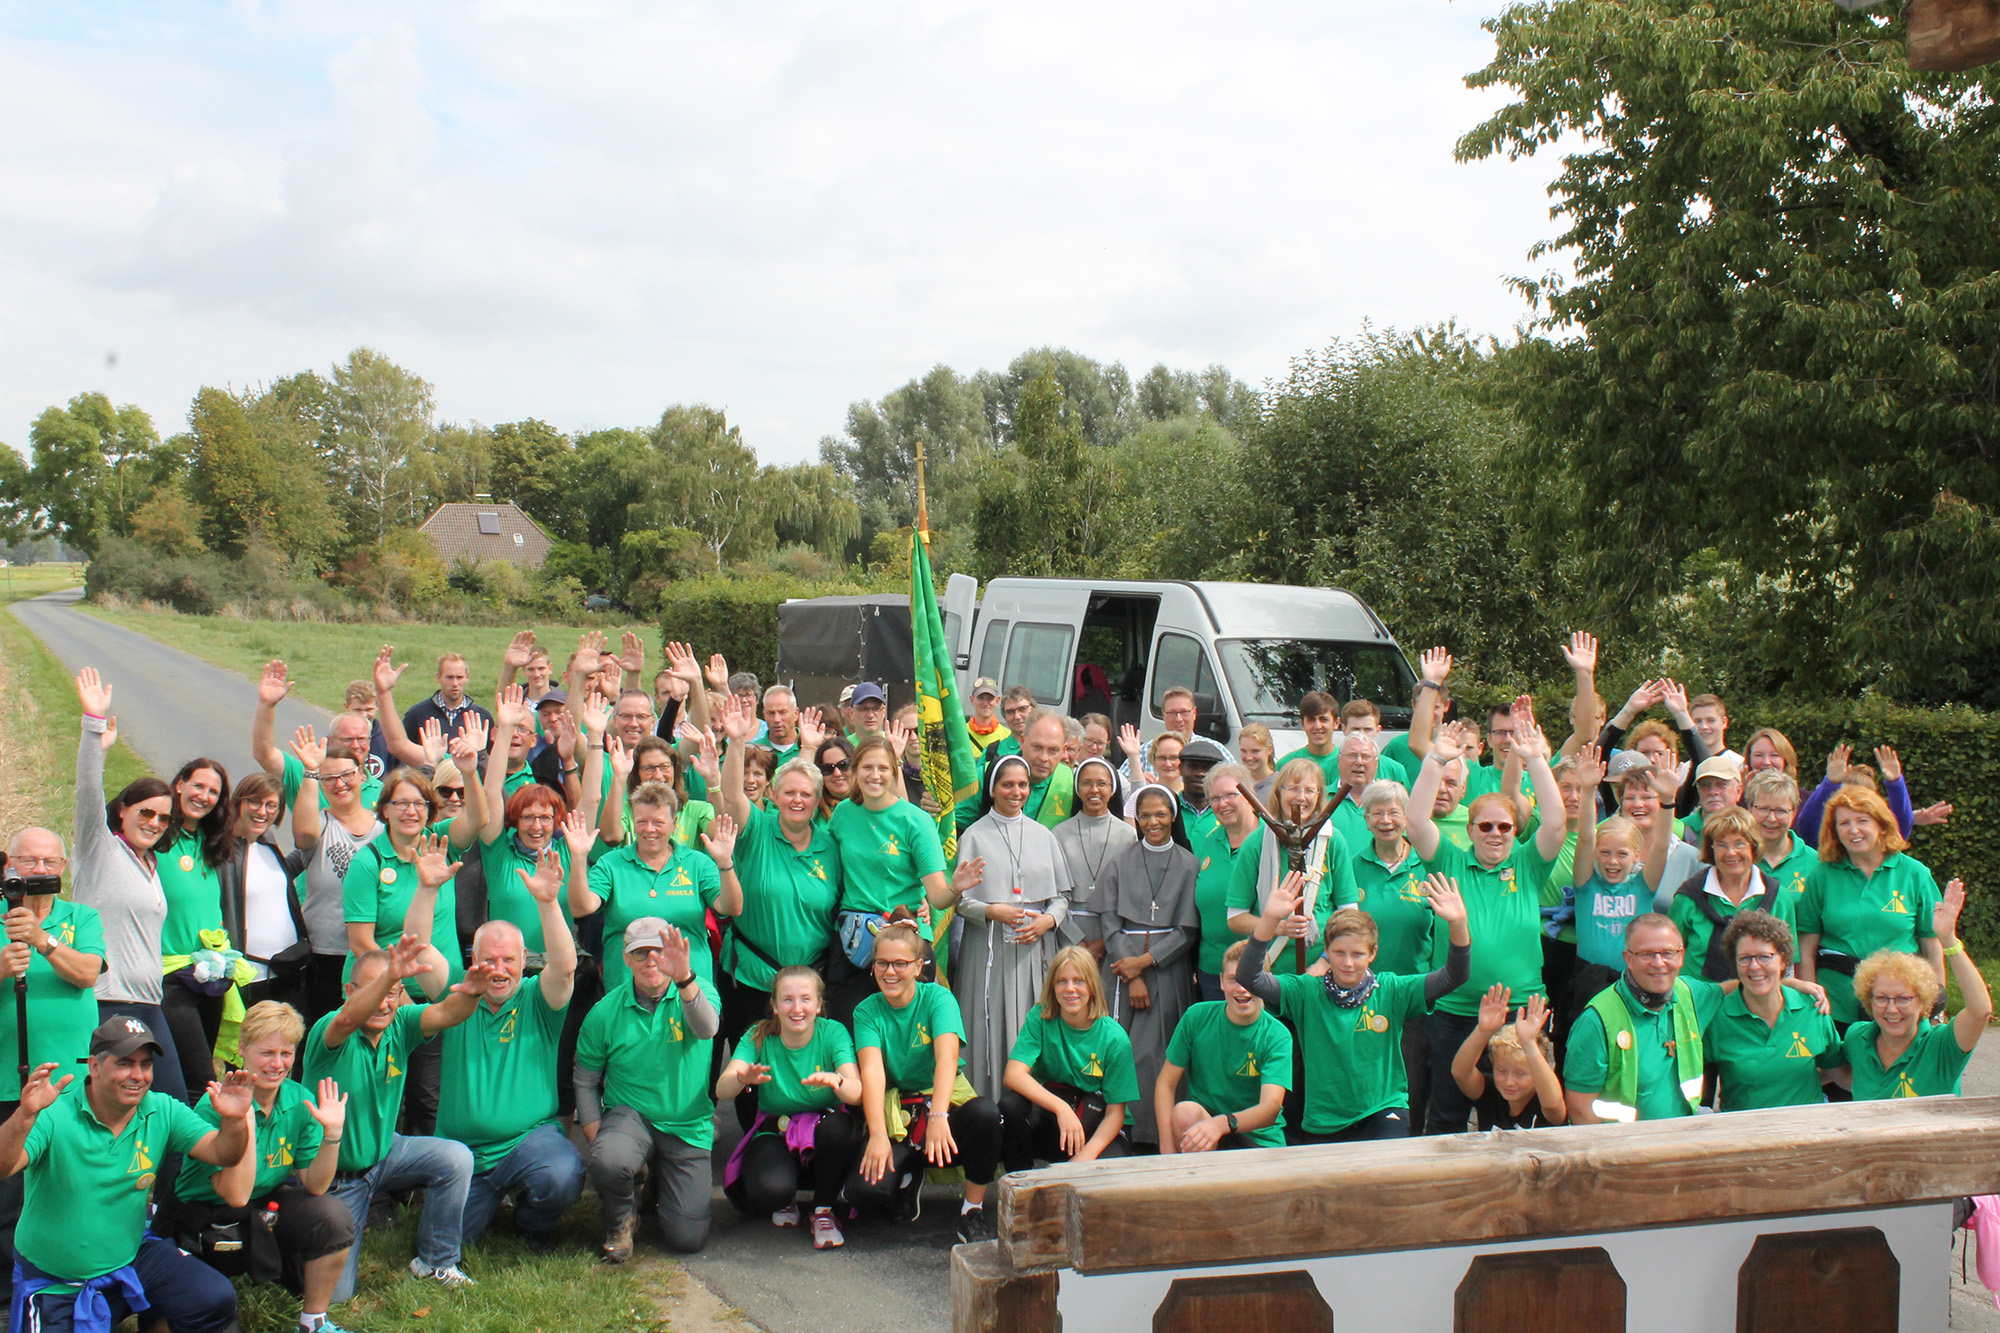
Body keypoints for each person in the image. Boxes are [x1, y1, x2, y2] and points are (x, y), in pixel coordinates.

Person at [306, 859, 485, 1300]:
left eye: (392, 994)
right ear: (349, 991)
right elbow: (351, 1017)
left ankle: (436, 1261)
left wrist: (474, 992)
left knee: (455, 1158)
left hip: (387, 1154)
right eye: (376, 993)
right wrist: (389, 973)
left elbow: (448, 1013)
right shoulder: (331, 1032)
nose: (385, 1003)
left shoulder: (400, 1025)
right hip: (338, 1176)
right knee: (338, 1296)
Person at [0, 1021, 252, 1333]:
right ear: (94, 1066)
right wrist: (24, 1116)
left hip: (129, 1261)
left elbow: (223, 1154)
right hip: (57, 1283)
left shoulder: (161, 1109)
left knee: (214, 1299)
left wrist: (234, 1121)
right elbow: (4, 1167)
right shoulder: (54, 1113)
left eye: (146, 1064)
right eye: (125, 1063)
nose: (138, 1075)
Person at [1406, 701, 1568, 1134]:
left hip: (1521, 1012)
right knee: (1447, 1114)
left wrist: (1535, 760)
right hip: (1455, 1012)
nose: (1495, 834)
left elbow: (1556, 824)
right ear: (1470, 829)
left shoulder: (1528, 865)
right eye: (1485, 826)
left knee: (1522, 1118)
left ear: (1515, 831)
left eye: (1504, 827)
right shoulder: (1449, 860)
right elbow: (1415, 820)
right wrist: (1436, 759)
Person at [1237, 873, 1471, 1142]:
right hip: (1324, 1121)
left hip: (1382, 1110)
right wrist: (1268, 921)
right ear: (1326, 951)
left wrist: (1458, 923)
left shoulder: (1392, 990)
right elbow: (1249, 977)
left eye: (1358, 954)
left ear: (1373, 953)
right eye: (1339, 953)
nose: (1348, 962)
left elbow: (1454, 976)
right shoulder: (1305, 992)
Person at [164, 1002, 354, 1333]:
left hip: (262, 1200)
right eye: (267, 1052)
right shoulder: (215, 1104)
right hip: (204, 1212)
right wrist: (244, 1120)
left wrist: (332, 1136)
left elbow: (316, 1184)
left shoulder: (299, 1100)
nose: (277, 1064)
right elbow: (235, 1194)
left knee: (332, 1215)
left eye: (286, 1053)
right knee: (211, 1313)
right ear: (242, 1048)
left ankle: (314, 1322)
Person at [438, 840, 585, 1252]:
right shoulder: (455, 996)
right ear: (473, 960)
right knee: (445, 1242)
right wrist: (428, 890)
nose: (499, 970)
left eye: (509, 960)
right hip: (463, 1153)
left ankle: (532, 1222)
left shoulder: (539, 999)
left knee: (561, 1175)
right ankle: (478, 1201)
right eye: (489, 960)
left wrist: (548, 903)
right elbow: (424, 955)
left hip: (527, 1141)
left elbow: (565, 967)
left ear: (524, 961)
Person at [843, 919, 1003, 1245]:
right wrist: (877, 1135)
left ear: (918, 967)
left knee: (986, 1114)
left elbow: (947, 1059)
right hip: (899, 1110)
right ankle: (910, 1172)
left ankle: (971, 1211)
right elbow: (872, 1073)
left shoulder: (938, 999)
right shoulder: (866, 1011)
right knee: (865, 1193)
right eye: (882, 963)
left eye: (900, 964)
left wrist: (940, 1115)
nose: (890, 972)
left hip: (943, 1101)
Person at [72, 667, 192, 1101]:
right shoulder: (99, 850)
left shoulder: (151, 864)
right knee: (107, 1106)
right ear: (122, 810)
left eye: (163, 818)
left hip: (149, 1002)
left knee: (169, 1105)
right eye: (146, 812)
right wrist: (94, 728)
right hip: (105, 1001)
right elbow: (88, 791)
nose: (155, 823)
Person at [0, 828, 104, 1308]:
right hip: (7, 1078)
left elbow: (87, 973)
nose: (39, 870)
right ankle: (8, 1295)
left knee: (62, 1182)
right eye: (29, 860)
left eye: (49, 861)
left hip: (68, 1081)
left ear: (64, 867)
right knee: (7, 1190)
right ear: (10, 866)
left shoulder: (81, 917)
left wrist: (41, 940)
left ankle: (60, 1281)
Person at [578, 919, 721, 1261]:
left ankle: (656, 1179)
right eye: (640, 953)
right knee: (610, 1159)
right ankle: (621, 1220)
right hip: (631, 1118)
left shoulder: (699, 990)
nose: (651, 961)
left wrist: (684, 979)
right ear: (626, 958)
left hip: (686, 1124)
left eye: (660, 951)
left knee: (687, 1238)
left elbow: (707, 1029)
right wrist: (598, 1141)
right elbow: (585, 1080)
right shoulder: (604, 1011)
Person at [711, 695, 842, 1060]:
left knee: (803, 1074)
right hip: (751, 981)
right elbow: (732, 794)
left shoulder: (832, 846)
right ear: (772, 794)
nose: (798, 800)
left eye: (807, 795)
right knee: (750, 1076)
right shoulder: (756, 830)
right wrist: (737, 740)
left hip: (809, 989)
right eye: (789, 793)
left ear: (817, 800)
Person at [953, 755, 1076, 1099]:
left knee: (1033, 1023)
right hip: (988, 948)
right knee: (988, 1023)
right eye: (1007, 784)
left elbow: (1062, 896)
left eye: (1023, 785)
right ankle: (988, 1103)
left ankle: (1034, 1107)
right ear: (992, 789)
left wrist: (1048, 920)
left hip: (1035, 948)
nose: (1016, 792)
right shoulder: (974, 835)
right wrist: (992, 910)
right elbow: (959, 901)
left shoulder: (1043, 835)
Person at [715, 967, 863, 1250]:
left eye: (805, 999)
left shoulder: (833, 1033)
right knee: (768, 1190)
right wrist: (742, 1078)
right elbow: (722, 1089)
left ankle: (823, 1210)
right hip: (777, 1130)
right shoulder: (758, 1035)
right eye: (787, 1000)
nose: (797, 1009)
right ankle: (786, 1198)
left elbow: (856, 1094)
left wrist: (838, 1081)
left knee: (840, 1127)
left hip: (825, 1137)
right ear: (774, 1006)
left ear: (818, 1005)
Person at [1094, 785, 1199, 1148]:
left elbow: (1187, 930)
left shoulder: (1189, 864)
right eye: (1145, 815)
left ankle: (1160, 1134)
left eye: (1160, 814)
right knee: (1124, 1051)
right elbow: (1110, 921)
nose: (1153, 822)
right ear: (1136, 819)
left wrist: (1145, 961)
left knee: (1162, 1052)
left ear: (1173, 816)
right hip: (1121, 970)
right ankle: (1123, 1131)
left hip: (1168, 969)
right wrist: (1132, 972)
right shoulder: (1119, 862)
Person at [1795, 785, 1943, 1028]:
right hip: (1836, 1004)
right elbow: (1807, 944)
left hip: (1900, 1003)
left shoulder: (1915, 874)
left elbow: (1931, 944)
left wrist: (1935, 1005)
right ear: (1834, 831)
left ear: (1881, 824)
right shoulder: (1821, 875)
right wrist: (1811, 997)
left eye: (1862, 821)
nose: (1853, 830)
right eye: (1844, 823)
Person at [827, 736, 954, 1016]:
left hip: (904, 938)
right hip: (852, 942)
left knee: (906, 1031)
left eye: (883, 768)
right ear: (855, 771)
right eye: (867, 767)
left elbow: (938, 896)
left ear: (894, 772)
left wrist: (956, 888)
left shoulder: (916, 821)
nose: (875, 775)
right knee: (848, 1028)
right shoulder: (843, 814)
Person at [575, 781, 739, 996]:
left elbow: (731, 907)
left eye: (658, 822)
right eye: (642, 822)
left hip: (690, 993)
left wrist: (725, 863)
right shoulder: (611, 864)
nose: (649, 829)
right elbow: (582, 907)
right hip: (628, 994)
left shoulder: (697, 863)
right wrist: (578, 858)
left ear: (674, 823)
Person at [1337, 779, 1439, 1119]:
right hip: (1362, 994)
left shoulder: (1427, 864)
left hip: (1413, 995)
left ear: (1407, 816)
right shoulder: (1351, 867)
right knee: (1366, 1079)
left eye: (1394, 813)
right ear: (1365, 819)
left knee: (1413, 1081)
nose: (1385, 821)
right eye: (1376, 813)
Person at [1837, 879, 1992, 1099]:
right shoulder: (1857, 1038)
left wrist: (1948, 940)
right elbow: (1834, 1073)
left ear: (1922, 1002)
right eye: (1881, 998)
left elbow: (1980, 1010)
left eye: (1903, 999)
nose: (1891, 1009)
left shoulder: (1942, 1046)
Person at [1562, 915, 1725, 1123]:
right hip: (1623, 1141)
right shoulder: (1596, 1021)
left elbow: (1733, 991)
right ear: (1628, 959)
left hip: (1684, 1134)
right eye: (1646, 954)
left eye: (1667, 953)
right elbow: (1579, 1108)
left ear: (1681, 956)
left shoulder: (1690, 993)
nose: (1658, 963)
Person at [999, 946, 1137, 1171]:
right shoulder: (1040, 1017)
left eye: (1079, 981)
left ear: (1092, 985)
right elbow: (1013, 1075)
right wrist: (1061, 1108)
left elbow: (1115, 1114)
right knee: (1011, 1105)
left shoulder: (1115, 1038)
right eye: (1061, 981)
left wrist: (1084, 1158)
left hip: (1100, 1124)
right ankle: (1021, 1183)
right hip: (1057, 1113)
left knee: (1100, 1175)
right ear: (1052, 987)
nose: (1070, 989)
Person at [1155, 940, 1292, 1152]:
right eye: (1234, 979)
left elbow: (1270, 1107)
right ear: (1221, 981)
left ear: (1266, 982)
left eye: (1251, 980)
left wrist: (1222, 1123)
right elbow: (1165, 1084)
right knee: (1185, 1112)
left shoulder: (1277, 1035)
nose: (1242, 989)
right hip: (1206, 1128)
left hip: (1257, 1136)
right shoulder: (1197, 1017)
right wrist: (1167, 1150)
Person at [285, 732, 383, 1026]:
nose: (339, 784)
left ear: (362, 775)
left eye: (346, 775)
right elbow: (303, 834)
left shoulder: (384, 831)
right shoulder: (320, 825)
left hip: (372, 954)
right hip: (324, 955)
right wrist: (310, 771)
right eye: (329, 779)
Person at [1703, 912, 1840, 1111]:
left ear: (1783, 960)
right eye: (1744, 958)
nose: (1754, 966)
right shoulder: (1717, 1018)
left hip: (1807, 1125)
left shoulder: (1813, 1008)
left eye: (1764, 957)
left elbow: (1840, 1071)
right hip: (1745, 1127)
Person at [158, 755, 233, 1099]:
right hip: (171, 976)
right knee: (201, 1080)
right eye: (198, 786)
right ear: (179, 784)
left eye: (213, 792)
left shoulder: (208, 841)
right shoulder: (158, 837)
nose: (204, 796)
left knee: (201, 1075)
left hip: (210, 976)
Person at [216, 769, 311, 1014]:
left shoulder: (267, 843)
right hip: (251, 979)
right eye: (254, 802)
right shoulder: (222, 852)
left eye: (272, 805)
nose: (262, 811)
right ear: (239, 802)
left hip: (289, 972)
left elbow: (276, 878)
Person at [1666, 806, 1790, 982]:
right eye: (1721, 845)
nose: (1731, 853)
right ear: (1711, 849)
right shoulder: (1688, 897)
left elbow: (1788, 964)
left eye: (1739, 843)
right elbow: (1669, 955)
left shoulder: (1778, 898)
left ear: (1753, 846)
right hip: (1697, 995)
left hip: (1759, 995)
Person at [1450, 986, 1566, 1129]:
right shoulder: (1489, 1092)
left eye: (1521, 1074)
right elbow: (1460, 1073)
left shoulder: (1544, 1097)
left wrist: (1529, 1044)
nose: (1509, 1082)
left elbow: (1554, 1107)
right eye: (1501, 1071)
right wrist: (1482, 1031)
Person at [1054, 757, 1135, 961]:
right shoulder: (1059, 834)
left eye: (1101, 783)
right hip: (1068, 931)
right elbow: (1054, 895)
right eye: (1087, 783)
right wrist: (1077, 941)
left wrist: (1105, 941)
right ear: (1077, 788)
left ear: (1112, 789)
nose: (1094, 790)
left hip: (1113, 933)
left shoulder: (1128, 835)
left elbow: (1130, 895)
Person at [1190, 762, 1259, 1000]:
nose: (1222, 804)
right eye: (1215, 798)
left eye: (1230, 795)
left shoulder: (1269, 839)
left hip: (1260, 966)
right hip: (1213, 969)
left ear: (1249, 795)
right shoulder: (1209, 842)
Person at [1746, 769, 1818, 905]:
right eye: (1764, 809)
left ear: (1794, 813)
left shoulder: (1814, 863)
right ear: (1750, 809)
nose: (1772, 818)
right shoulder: (1737, 858)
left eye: (1781, 811)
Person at [396, 653, 494, 752]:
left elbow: (491, 756)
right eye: (449, 677)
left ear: (467, 677)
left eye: (459, 677)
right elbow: (403, 752)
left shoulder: (481, 717)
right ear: (438, 677)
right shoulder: (417, 714)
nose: (455, 683)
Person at [1275, 691, 1341, 790]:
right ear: (1302, 724)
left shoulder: (1349, 763)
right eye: (1311, 720)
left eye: (1323, 719)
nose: (1317, 726)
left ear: (1336, 723)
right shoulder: (1285, 765)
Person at [813, 736, 853, 821]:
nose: (837, 773)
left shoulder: (872, 805)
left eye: (843, 765)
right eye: (828, 768)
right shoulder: (814, 811)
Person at [1235, 723, 1277, 804]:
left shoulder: (1281, 784)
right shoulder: (1233, 782)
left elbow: (1296, 809)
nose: (1249, 757)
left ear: (1269, 750)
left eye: (1255, 751)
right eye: (1244, 751)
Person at [965, 678, 1007, 750]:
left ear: (997, 701)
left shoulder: (1007, 736)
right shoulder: (961, 733)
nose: (985, 703)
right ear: (972, 700)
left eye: (990, 698)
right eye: (981, 698)